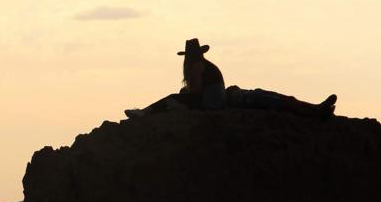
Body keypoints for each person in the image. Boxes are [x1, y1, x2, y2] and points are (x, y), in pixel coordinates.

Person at [126, 38, 337, 118]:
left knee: (275, 100)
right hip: (231, 99)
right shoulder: (202, 65)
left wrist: (184, 97)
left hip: (230, 99)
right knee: (277, 100)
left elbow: (197, 93)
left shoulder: (196, 67)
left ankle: (316, 110)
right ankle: (316, 110)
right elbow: (200, 94)